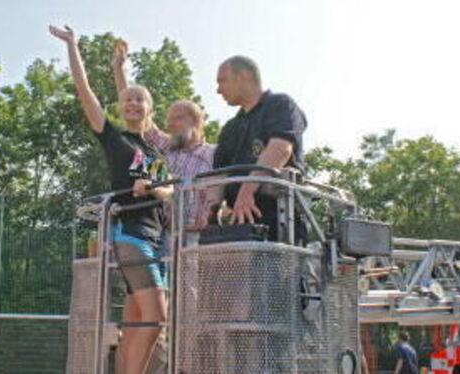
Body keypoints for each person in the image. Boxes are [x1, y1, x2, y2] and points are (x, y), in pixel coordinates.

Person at [49, 25, 172, 374]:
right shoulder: (114, 139)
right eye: (126, 100)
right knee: (157, 317)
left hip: (156, 238)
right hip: (130, 236)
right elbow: (85, 92)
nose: (132, 103)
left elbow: (169, 189)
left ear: (149, 108)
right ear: (120, 107)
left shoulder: (153, 150)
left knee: (135, 324)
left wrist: (153, 188)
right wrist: (74, 46)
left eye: (139, 99)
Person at [111, 41, 215, 245]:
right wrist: (118, 69)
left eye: (176, 118)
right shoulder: (164, 146)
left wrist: (211, 210)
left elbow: (222, 192)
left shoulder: (214, 153)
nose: (169, 124)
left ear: (195, 121)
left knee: (189, 278)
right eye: (168, 119)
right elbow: (133, 109)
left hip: (198, 236)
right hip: (161, 235)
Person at [213, 55, 307, 242]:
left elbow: (280, 149)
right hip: (238, 221)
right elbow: (217, 175)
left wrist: (246, 192)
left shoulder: (280, 104)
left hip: (280, 217)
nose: (218, 90)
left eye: (222, 81)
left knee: (279, 271)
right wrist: (210, 211)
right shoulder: (230, 128)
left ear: (244, 76)